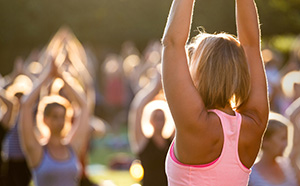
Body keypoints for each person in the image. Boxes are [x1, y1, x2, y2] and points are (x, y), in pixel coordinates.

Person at [161, 0, 269, 185]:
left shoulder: (195, 123)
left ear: (201, 71)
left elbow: (172, 43)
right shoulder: (255, 122)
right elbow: (251, 45)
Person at [18, 60, 90, 186]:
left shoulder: (72, 148)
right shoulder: (37, 150)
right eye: (55, 117)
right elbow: (25, 105)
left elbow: (84, 105)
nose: (60, 121)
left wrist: (62, 76)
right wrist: (46, 76)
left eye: (63, 116)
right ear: (45, 119)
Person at [128, 72, 174, 186]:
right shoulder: (143, 142)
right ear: (150, 120)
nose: (159, 121)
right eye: (156, 117)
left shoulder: (172, 141)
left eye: (162, 117)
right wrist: (155, 87)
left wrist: (169, 87)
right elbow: (137, 109)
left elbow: (179, 110)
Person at [248, 112, 300, 186]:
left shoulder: (289, 166)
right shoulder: (250, 174)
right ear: (265, 141)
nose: (286, 144)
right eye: (282, 138)